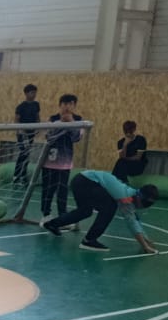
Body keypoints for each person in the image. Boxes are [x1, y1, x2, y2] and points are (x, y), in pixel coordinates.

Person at [42, 170, 159, 254]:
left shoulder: (130, 195)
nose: (142, 207)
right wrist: (145, 246)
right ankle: (89, 240)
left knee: (85, 211)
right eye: (143, 203)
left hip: (81, 180)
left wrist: (146, 238)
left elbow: (135, 219)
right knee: (109, 207)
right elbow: (131, 222)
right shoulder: (125, 197)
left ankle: (52, 224)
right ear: (139, 197)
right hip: (86, 181)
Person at [40, 94, 83, 223]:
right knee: (48, 189)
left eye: (70, 104)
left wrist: (71, 123)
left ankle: (62, 216)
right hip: (49, 161)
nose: (67, 107)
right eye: (64, 104)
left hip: (65, 162)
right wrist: (60, 124)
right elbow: (48, 136)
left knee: (62, 190)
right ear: (60, 105)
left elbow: (77, 138)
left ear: (74, 106)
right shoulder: (53, 119)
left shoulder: (78, 120)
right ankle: (46, 214)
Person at [12, 83, 41, 185]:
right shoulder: (21, 107)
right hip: (22, 134)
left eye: (35, 93)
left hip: (31, 133)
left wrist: (38, 126)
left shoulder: (36, 105)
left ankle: (23, 176)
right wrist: (21, 132)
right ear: (26, 93)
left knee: (27, 154)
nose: (34, 95)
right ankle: (17, 176)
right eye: (32, 92)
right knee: (23, 153)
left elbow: (37, 117)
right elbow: (16, 120)